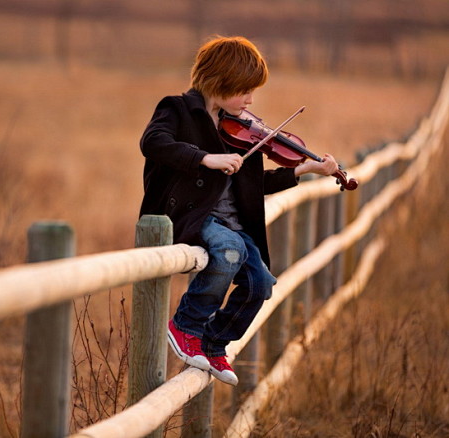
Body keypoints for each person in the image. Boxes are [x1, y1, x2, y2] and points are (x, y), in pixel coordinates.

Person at [138, 36, 339, 385]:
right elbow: (153, 143)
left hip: (232, 223)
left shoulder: (242, 129)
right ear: (219, 81)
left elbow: (253, 184)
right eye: (244, 90)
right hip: (193, 216)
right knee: (228, 253)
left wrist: (303, 170)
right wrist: (205, 158)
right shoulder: (177, 109)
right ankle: (185, 326)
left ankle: (214, 342)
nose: (250, 100)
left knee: (261, 284)